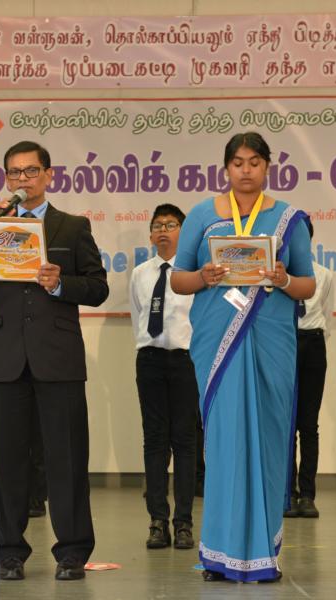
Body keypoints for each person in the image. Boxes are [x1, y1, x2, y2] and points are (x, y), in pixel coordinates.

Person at [171, 132, 315, 582]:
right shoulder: (202, 215)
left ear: (268, 166)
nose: (246, 170)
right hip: (219, 344)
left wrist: (283, 279)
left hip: (271, 342)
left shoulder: (288, 219)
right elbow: (177, 279)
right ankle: (220, 554)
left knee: (269, 440)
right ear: (226, 168)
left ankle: (262, 554)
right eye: (238, 162)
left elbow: (308, 285)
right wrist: (204, 276)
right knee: (225, 442)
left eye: (254, 162)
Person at [0, 140, 108, 581]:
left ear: (48, 175)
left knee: (66, 457)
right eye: (14, 173)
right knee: (7, 461)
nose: (22, 180)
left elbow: (98, 288)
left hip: (58, 357)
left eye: (30, 171)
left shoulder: (73, 227)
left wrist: (62, 283)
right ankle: (9, 551)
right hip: (6, 356)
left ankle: (72, 551)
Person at [129, 203, 197, 550]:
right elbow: (138, 316)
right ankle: (157, 521)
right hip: (150, 360)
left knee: (185, 441)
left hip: (186, 361)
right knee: (154, 440)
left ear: (183, 232)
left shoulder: (195, 273)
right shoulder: (141, 273)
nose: (163, 231)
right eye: (157, 225)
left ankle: (183, 522)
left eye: (171, 225)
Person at [285, 220, 334, 519]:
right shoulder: (280, 275)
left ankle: (308, 494)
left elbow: (327, 316)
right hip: (286, 344)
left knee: (309, 424)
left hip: (313, 344)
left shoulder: (324, 274)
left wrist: (313, 342)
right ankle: (288, 493)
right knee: (287, 424)